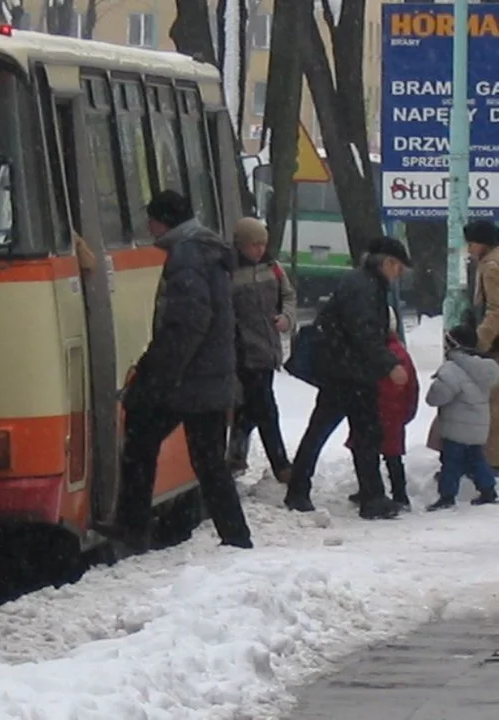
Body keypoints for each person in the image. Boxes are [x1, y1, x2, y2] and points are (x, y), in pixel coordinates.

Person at [115, 189, 252, 551]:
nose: (149, 227)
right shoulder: (205, 249)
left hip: (188, 380)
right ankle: (236, 536)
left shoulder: (187, 257)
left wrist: (155, 374)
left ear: (163, 221)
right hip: (208, 376)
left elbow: (187, 323)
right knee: (209, 462)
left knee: (140, 439)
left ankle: (133, 530)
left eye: (152, 221)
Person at [284, 236, 411, 520]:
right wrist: (390, 363)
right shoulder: (364, 287)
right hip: (349, 374)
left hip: (346, 371)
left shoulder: (365, 283)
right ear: (388, 262)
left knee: (349, 432)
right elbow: (363, 331)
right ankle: (365, 497)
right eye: (399, 267)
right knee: (353, 433)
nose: (399, 273)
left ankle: (363, 495)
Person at [227, 217, 297, 483]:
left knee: (250, 407)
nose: (259, 249)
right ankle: (280, 465)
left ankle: (236, 454)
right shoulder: (229, 272)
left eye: (262, 244)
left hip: (267, 350)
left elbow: (288, 296)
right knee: (265, 408)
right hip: (242, 352)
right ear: (240, 245)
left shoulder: (273, 268)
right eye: (253, 244)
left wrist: (286, 318)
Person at [345, 306, 419, 510]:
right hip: (394, 414)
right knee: (393, 456)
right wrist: (408, 411)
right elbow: (412, 386)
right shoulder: (401, 354)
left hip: (373, 410)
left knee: (363, 452)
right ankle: (400, 494)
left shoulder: (370, 353)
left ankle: (368, 488)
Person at [425, 324, 499, 511]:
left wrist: (435, 387)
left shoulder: (452, 369)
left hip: (456, 428)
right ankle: (488, 490)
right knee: (477, 459)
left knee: (451, 462)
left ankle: (447, 495)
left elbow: (436, 397)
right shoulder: (485, 367)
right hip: (479, 426)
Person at [462, 219, 499, 468]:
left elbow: (495, 309)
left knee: (492, 402)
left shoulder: (491, 266)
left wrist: (480, 341)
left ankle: (490, 460)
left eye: (472, 243)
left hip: (495, 344)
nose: (469, 249)